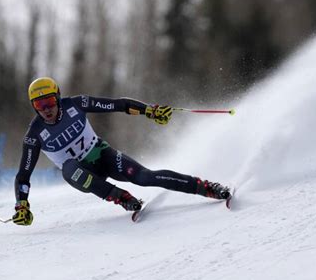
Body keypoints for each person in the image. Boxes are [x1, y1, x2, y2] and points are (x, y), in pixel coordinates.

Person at [12, 77, 231, 225]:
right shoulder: (35, 134)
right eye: (39, 105)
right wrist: (21, 205)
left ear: (58, 98)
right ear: (34, 107)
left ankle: (205, 187)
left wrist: (149, 111)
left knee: (145, 177)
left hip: (101, 155)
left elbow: (119, 105)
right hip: (82, 173)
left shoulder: (76, 104)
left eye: (49, 102)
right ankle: (121, 197)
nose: (46, 110)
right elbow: (23, 176)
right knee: (69, 168)